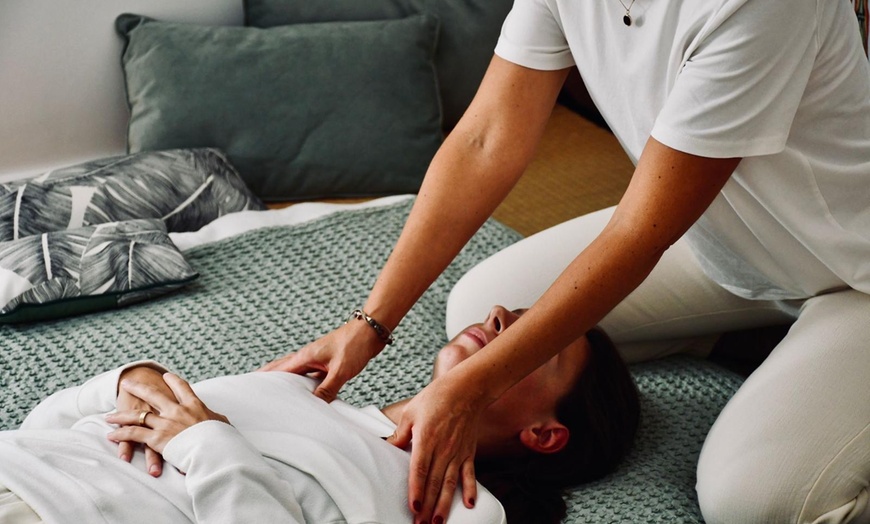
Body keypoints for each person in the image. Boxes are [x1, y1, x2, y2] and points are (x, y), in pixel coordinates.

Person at [260, 1, 870, 523]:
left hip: (854, 273)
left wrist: (472, 390)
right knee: (479, 312)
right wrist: (370, 323)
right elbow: (487, 139)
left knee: (757, 501)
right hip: (717, 236)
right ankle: (747, 335)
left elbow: (637, 233)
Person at [0, 306, 639, 524]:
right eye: (517, 314)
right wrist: (126, 380)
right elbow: (42, 432)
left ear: (545, 434)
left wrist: (210, 448)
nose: (501, 318)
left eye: (537, 345)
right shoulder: (295, 391)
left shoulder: (461, 510)